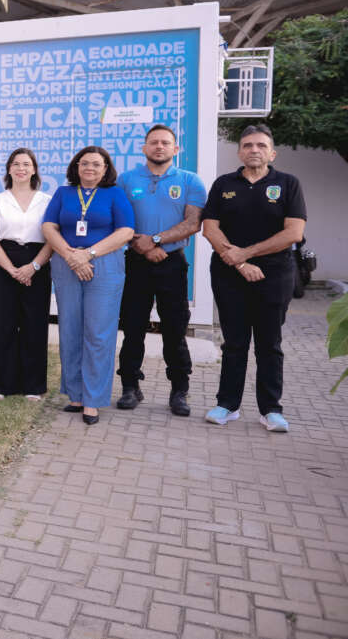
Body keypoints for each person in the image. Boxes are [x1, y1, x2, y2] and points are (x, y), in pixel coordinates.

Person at [201, 125, 306, 432]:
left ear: (272, 153)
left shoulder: (288, 184)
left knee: (269, 344)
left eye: (261, 145)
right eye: (247, 145)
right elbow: (210, 229)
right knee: (234, 342)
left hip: (275, 275)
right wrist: (240, 263)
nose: (254, 150)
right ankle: (227, 405)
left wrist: (246, 253)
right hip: (229, 274)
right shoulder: (224, 184)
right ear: (239, 152)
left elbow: (293, 233)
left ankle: (271, 410)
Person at [115, 125, 206, 417]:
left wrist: (155, 240)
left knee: (174, 329)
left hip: (172, 263)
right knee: (133, 327)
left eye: (165, 143)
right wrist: (142, 247)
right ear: (144, 148)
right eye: (153, 142)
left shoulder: (190, 180)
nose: (159, 147)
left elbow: (193, 223)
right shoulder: (126, 180)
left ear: (175, 149)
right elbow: (119, 220)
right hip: (135, 262)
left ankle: (179, 390)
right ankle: (130, 386)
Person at [42, 146, 135, 425]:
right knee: (70, 329)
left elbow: (126, 231)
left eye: (96, 164)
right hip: (66, 262)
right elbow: (48, 227)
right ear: (76, 167)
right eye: (84, 163)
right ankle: (76, 395)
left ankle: (93, 399)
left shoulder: (114, 194)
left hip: (104, 264)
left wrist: (89, 254)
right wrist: (71, 255)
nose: (90, 168)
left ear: (106, 169)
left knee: (98, 333)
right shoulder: (63, 193)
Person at [0, 148, 53, 400]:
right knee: (3, 323)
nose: (21, 168)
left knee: (35, 323)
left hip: (37, 263)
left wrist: (33, 266)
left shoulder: (47, 201)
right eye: (16, 164)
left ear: (34, 170)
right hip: (4, 262)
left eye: (26, 164)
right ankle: (0, 384)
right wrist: (11, 269)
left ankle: (33, 386)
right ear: (9, 169)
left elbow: (52, 238)